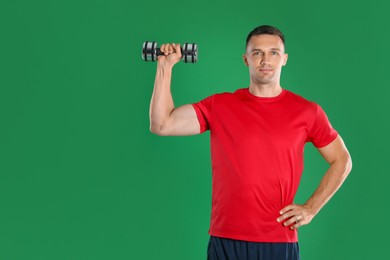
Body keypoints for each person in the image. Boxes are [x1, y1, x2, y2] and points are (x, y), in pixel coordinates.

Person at [149, 25, 352, 260]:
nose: (265, 60)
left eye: (273, 52)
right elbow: (162, 124)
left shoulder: (307, 112)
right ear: (246, 59)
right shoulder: (220, 106)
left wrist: (311, 209)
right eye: (257, 53)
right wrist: (165, 67)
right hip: (226, 239)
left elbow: (342, 160)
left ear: (284, 59)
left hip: (277, 240)